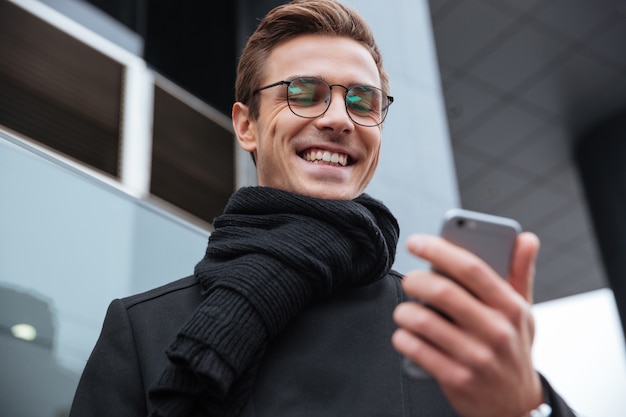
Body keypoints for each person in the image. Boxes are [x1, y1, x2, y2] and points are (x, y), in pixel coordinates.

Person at [69, 1, 576, 416]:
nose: (339, 119)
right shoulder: (141, 330)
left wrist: (526, 407)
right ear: (246, 125)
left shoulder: (446, 341)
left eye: (362, 101)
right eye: (303, 93)